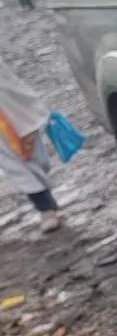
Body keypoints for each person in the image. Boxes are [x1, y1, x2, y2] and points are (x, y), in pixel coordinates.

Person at [0, 55, 60, 232]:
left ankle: (44, 194)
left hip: (12, 108)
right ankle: (45, 209)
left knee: (38, 159)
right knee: (14, 165)